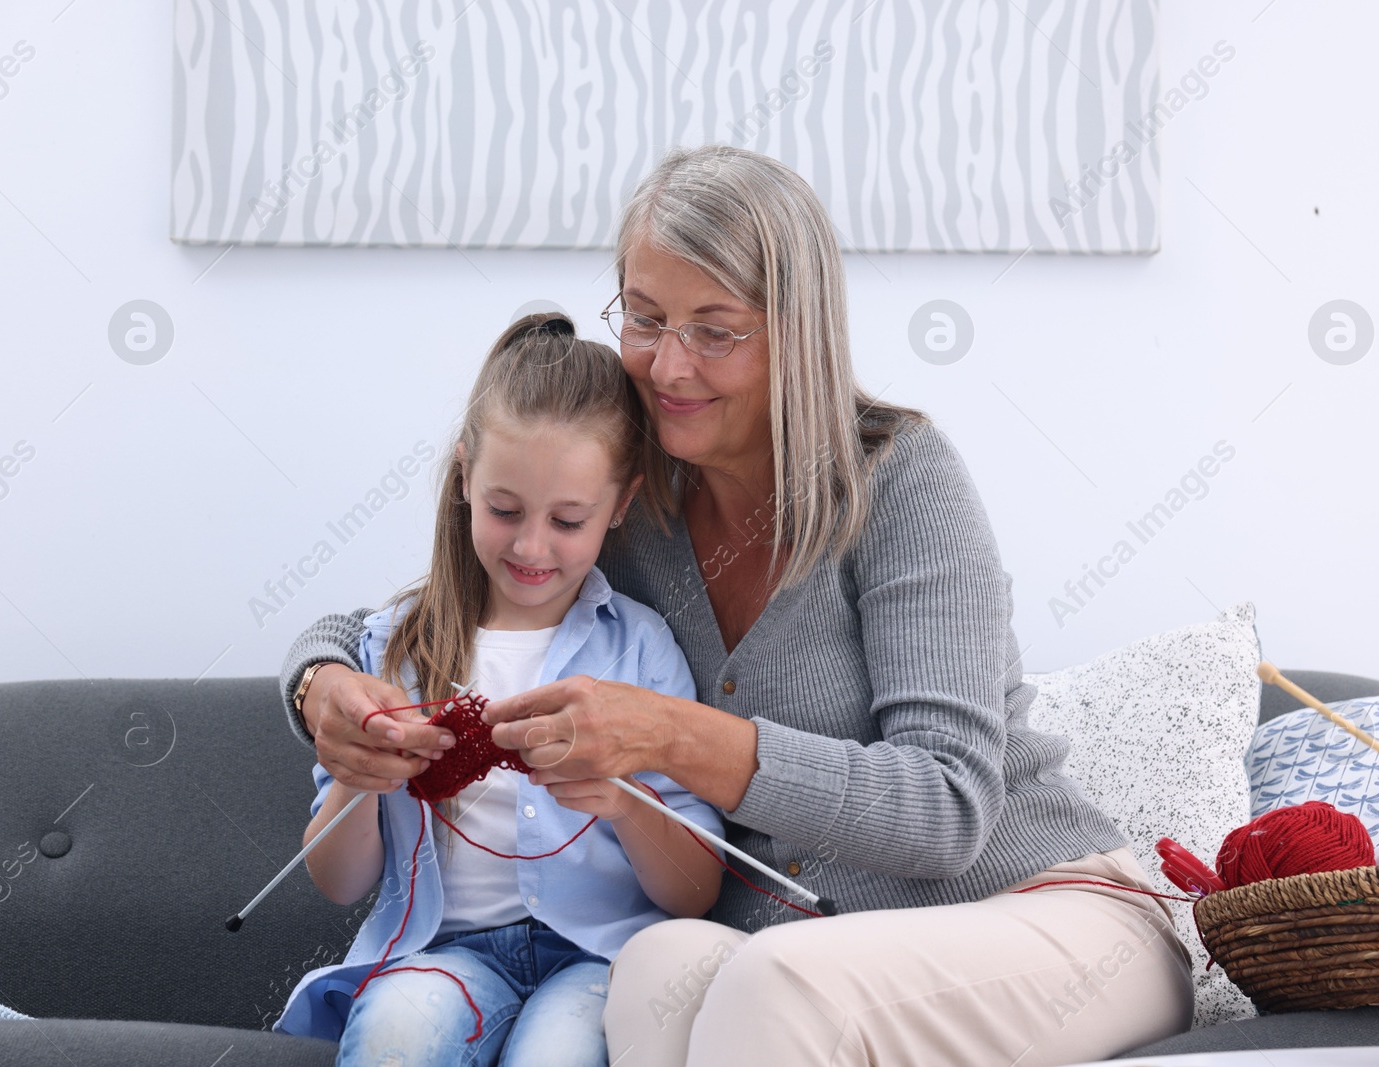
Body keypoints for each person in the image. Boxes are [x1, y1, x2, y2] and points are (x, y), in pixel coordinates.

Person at [280, 144, 1194, 1066]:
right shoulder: (628, 509)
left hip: (1044, 914)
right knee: (654, 966)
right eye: (644, 317)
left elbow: (947, 807)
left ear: (796, 332)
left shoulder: (900, 480)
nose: (667, 365)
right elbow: (431, 606)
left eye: (715, 330)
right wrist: (318, 682)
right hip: (811, 950)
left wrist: (672, 736)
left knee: (771, 980)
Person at [271, 314, 724, 1067]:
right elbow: (337, 880)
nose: (531, 545)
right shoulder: (395, 648)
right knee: (395, 1032)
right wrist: (359, 773)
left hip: (599, 957)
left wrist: (622, 797)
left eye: (568, 519)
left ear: (619, 505)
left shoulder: (640, 648)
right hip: (444, 954)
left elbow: (694, 889)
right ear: (463, 481)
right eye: (504, 509)